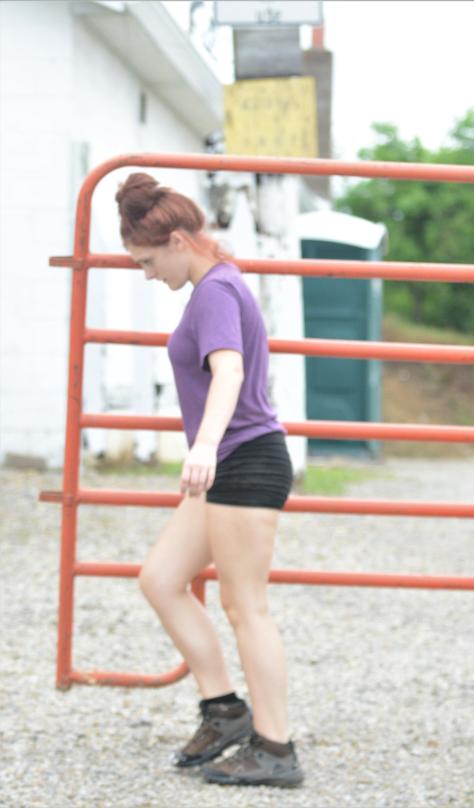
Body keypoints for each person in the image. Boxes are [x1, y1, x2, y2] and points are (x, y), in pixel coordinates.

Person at [115, 173, 303, 787]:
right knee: (162, 578)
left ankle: (276, 749)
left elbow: (228, 374)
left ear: (176, 240)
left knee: (246, 606)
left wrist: (201, 447)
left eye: (147, 261)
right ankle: (223, 710)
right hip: (230, 459)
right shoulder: (213, 285)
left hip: (244, 458)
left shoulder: (216, 291)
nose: (147, 273)